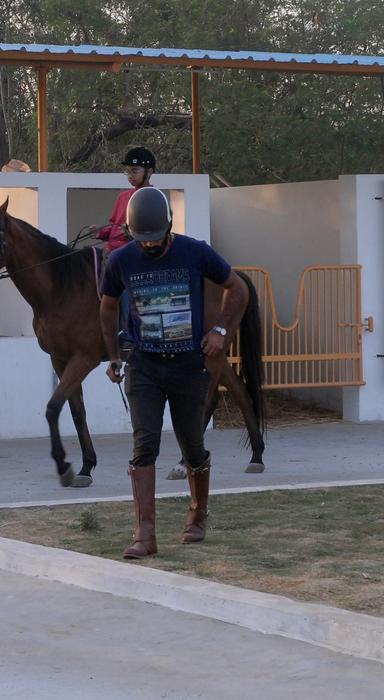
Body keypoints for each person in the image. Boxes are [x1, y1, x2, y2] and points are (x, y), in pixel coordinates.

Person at [99, 187, 248, 559]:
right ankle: (144, 534)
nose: (150, 245)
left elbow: (237, 288)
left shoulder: (195, 252)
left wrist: (221, 330)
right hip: (144, 365)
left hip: (188, 365)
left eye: (156, 238)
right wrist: (114, 356)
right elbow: (107, 307)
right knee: (144, 445)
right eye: (143, 239)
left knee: (192, 445)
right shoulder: (120, 260)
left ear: (169, 226)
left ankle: (198, 514)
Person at [96, 146, 155, 253]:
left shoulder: (154, 198)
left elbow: (154, 234)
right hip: (110, 251)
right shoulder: (123, 196)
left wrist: (131, 234)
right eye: (128, 171)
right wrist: (99, 232)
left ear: (149, 172)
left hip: (132, 253)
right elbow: (113, 228)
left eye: (135, 171)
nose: (130, 175)